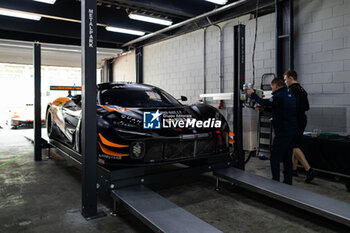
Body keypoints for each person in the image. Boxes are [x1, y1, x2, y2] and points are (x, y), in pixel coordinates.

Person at [248, 78, 297, 185]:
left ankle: (275, 182)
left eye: (272, 86)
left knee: (274, 158)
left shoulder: (279, 96)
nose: (271, 88)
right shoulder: (290, 96)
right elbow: (281, 110)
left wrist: (253, 94)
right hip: (292, 132)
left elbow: (263, 101)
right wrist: (264, 110)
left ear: (276, 85)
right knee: (287, 158)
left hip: (282, 133)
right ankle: (288, 182)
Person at [284, 70, 316, 183]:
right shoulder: (302, 89)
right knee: (296, 144)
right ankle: (294, 169)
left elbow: (290, 107)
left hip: (295, 121)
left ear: (291, 78)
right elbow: (306, 107)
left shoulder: (291, 90)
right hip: (302, 119)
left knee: (293, 145)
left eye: (285, 79)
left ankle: (309, 170)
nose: (285, 81)